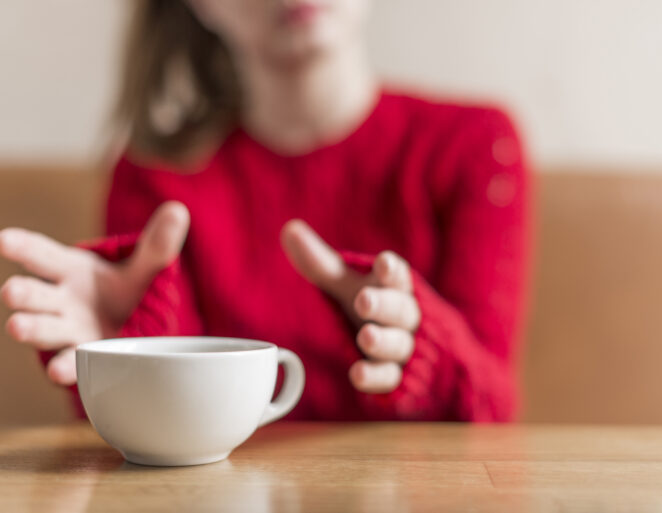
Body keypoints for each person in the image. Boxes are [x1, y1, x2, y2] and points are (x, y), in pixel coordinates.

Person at [0, 0, 529, 421]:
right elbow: (157, 434)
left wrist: (424, 354)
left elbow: (493, 405)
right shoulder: (153, 176)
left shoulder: (474, 146)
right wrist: (129, 352)